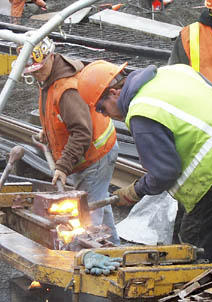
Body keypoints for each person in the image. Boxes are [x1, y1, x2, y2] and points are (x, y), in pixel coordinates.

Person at [77, 60, 212, 263]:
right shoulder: (172, 72)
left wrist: (135, 191)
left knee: (195, 247)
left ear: (113, 93)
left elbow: (165, 173)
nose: (106, 116)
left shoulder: (141, 112)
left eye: (102, 109)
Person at [18, 36, 120, 245]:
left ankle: (89, 262)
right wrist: (48, 133)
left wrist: (63, 167)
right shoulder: (49, 76)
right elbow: (60, 116)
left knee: (87, 218)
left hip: (95, 156)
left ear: (50, 57)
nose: (35, 74)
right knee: (98, 205)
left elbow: (81, 132)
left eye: (38, 69)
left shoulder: (66, 89)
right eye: (32, 70)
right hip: (93, 151)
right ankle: (115, 251)